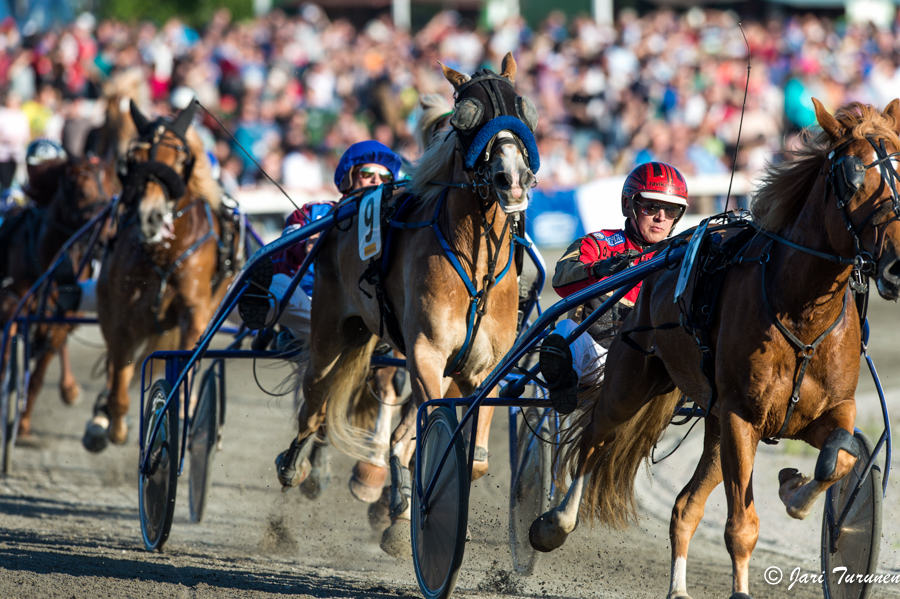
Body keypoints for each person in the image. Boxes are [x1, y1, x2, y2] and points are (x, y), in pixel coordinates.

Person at [236, 140, 402, 499]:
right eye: (367, 174)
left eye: (384, 177)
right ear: (349, 178)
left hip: (368, 315)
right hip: (311, 306)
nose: (376, 182)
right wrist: (305, 245)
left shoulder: (395, 222)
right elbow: (281, 256)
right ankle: (264, 307)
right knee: (276, 284)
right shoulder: (315, 213)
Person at [542, 161, 689, 412]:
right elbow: (561, 281)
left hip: (652, 369)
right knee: (565, 331)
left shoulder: (682, 256)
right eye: (651, 206)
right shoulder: (598, 244)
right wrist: (600, 269)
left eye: (671, 209)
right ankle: (565, 383)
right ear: (628, 205)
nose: (661, 217)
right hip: (599, 361)